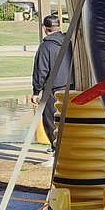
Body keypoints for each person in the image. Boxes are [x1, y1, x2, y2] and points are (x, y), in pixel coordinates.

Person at [31, 14, 73, 146]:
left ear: (45, 28)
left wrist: (36, 91)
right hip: (72, 87)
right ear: (58, 26)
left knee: (51, 120)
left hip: (52, 90)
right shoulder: (70, 42)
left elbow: (41, 71)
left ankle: (56, 149)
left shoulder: (45, 47)